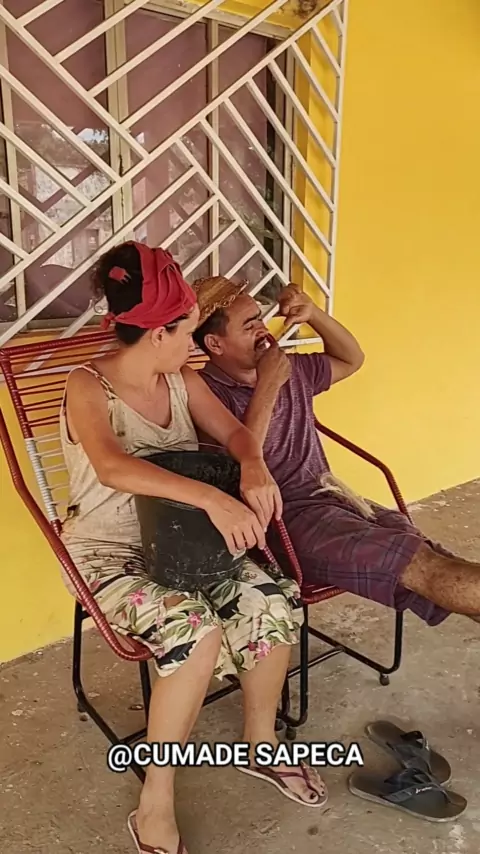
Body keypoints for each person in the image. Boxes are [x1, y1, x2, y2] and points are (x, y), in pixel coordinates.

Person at [59, 244, 327, 854]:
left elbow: (235, 434)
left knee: (272, 600)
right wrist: (212, 499)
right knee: (196, 631)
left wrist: (253, 464)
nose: (194, 345)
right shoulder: (87, 385)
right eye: (186, 331)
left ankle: (261, 744)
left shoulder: (181, 379)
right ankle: (154, 804)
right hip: (111, 554)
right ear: (158, 333)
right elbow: (111, 465)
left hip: (187, 543)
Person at [192, 275, 480, 629]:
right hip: (281, 523)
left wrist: (314, 313)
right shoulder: (205, 394)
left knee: (428, 557)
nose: (263, 330)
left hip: (332, 497)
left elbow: (351, 359)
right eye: (249, 325)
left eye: (260, 319)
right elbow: (235, 466)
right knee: (423, 568)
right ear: (215, 343)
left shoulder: (289, 369)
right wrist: (269, 384)